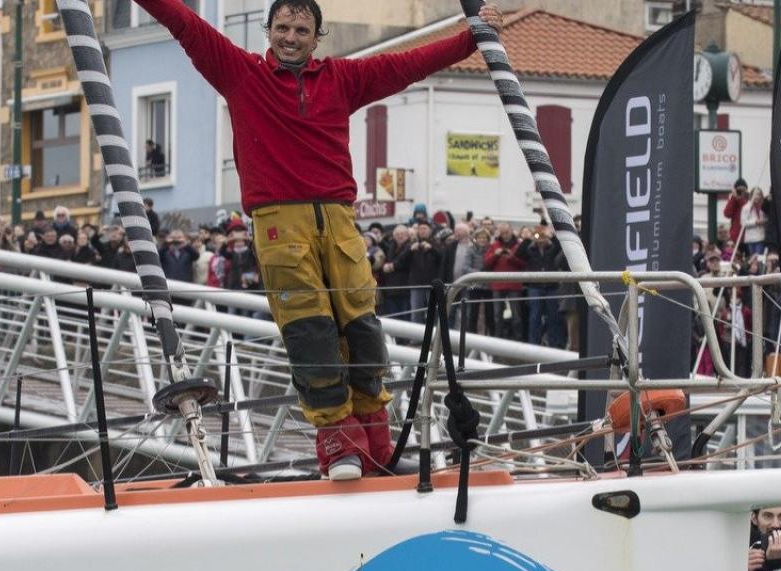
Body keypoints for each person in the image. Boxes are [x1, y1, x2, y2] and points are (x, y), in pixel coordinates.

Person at [129, 0, 505, 481]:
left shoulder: (341, 79)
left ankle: (377, 443)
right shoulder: (240, 74)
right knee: (311, 334)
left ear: (316, 36)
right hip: (280, 224)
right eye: (282, 27)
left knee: (363, 330)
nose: (290, 37)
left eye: (300, 29)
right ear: (268, 30)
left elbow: (408, 65)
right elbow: (185, 23)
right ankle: (337, 444)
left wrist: (470, 37)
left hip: (338, 218)